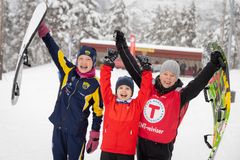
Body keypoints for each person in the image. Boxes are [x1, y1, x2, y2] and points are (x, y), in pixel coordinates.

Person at [114, 30, 227, 160]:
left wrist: (213, 65)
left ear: (177, 77)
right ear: (160, 74)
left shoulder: (180, 95)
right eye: (165, 74)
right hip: (142, 143)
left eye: (172, 75)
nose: (168, 78)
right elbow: (132, 67)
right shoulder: (148, 87)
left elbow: (198, 83)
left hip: (162, 148)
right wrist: (121, 45)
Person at [37, 21, 103, 160]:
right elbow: (56, 53)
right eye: (81, 59)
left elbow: (98, 112)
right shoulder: (68, 71)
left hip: (76, 134)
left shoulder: (95, 85)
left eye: (88, 60)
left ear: (93, 63)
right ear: (77, 60)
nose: (84, 63)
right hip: (58, 129)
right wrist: (45, 35)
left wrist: (95, 135)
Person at [99, 49, 152, 160]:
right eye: (121, 88)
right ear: (116, 90)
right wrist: (108, 64)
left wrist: (146, 70)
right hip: (107, 149)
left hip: (127, 152)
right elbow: (104, 83)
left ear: (132, 92)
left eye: (127, 88)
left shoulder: (136, 105)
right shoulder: (109, 101)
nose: (124, 91)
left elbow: (146, 90)